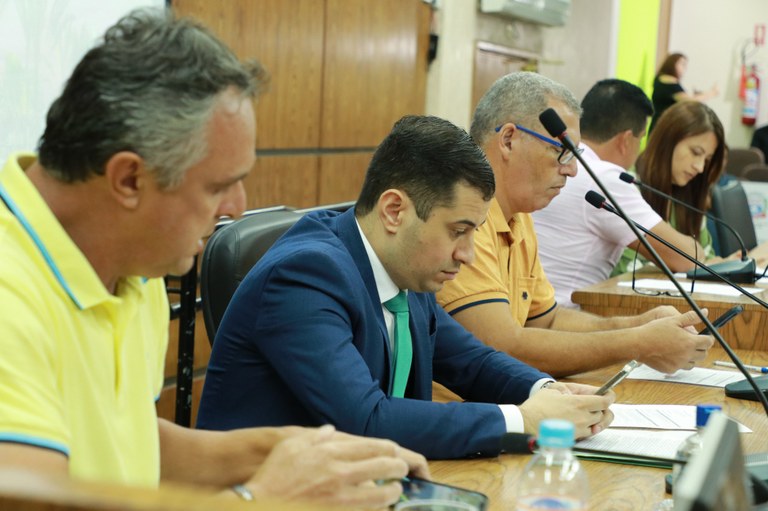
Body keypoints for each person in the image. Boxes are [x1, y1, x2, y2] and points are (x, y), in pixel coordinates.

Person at [0, 9, 429, 509]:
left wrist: (298, 451)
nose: (236, 208)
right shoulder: (11, 291)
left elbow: (132, 447)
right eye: (217, 186)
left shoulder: (133, 267)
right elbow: (32, 498)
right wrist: (258, 500)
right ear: (130, 179)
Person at [196, 114, 615, 460]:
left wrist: (547, 392)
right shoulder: (304, 276)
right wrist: (524, 420)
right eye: (458, 231)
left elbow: (471, 362)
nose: (468, 254)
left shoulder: (404, 267)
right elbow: (365, 421)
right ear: (394, 211)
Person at [435, 72, 713, 378]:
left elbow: (547, 320)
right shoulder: (463, 218)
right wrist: (638, 343)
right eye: (562, 151)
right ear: (509, 140)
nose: (572, 170)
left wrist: (639, 325)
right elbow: (503, 348)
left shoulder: (519, 217)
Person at [533, 79, 706, 309]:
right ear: (626, 140)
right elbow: (687, 259)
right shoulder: (604, 178)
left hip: (529, 309)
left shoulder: (554, 161)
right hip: (565, 316)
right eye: (640, 140)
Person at [613, 100, 727, 274]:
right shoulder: (629, 187)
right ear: (668, 140)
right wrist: (689, 265)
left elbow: (707, 259)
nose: (700, 167)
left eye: (707, 159)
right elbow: (625, 270)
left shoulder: (691, 193)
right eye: (695, 152)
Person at [649, 53, 718, 133]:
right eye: (682, 64)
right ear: (672, 63)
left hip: (662, 126)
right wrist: (711, 93)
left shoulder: (661, 79)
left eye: (685, 65)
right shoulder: (669, 82)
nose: (684, 68)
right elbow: (690, 101)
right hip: (663, 128)